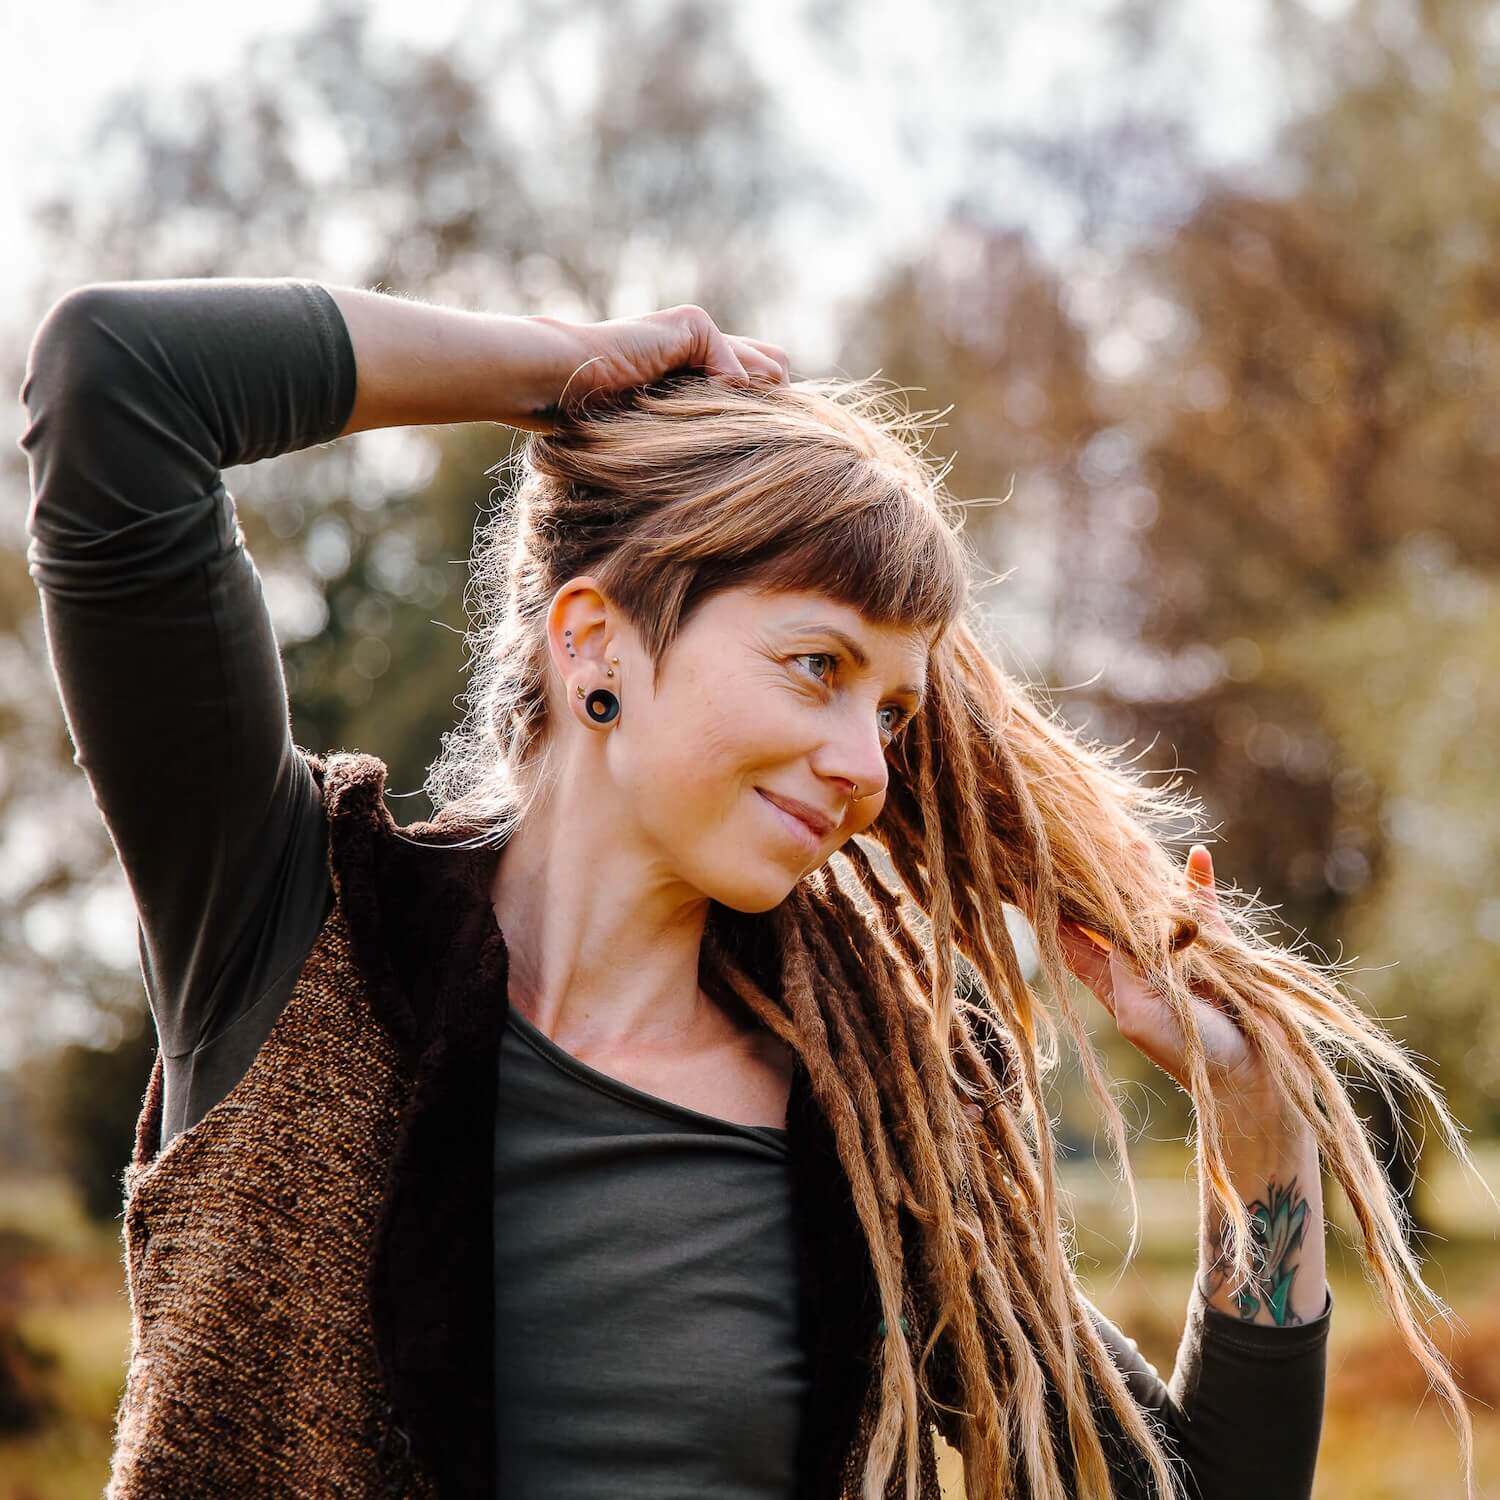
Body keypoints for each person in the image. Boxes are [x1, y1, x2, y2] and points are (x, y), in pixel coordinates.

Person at [14, 275, 1467, 1500]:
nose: (865, 764)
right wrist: (563, 377)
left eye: (892, 711)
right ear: (597, 644)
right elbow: (115, 383)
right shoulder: (287, 932)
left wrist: (1256, 1127)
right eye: (818, 667)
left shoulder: (873, 1114)